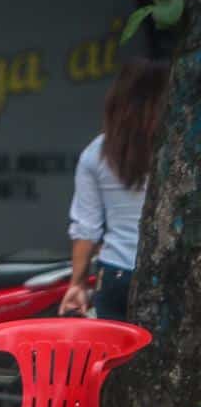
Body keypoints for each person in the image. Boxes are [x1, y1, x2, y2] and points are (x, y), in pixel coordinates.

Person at [59, 58, 169, 321]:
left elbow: (86, 229)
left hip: (118, 275)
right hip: (174, 274)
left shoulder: (96, 152)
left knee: (117, 359)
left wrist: (78, 284)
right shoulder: (183, 150)